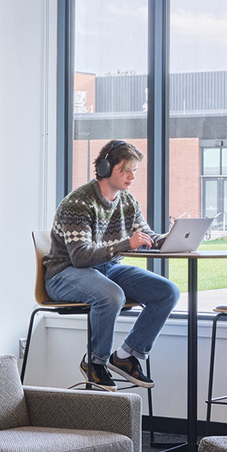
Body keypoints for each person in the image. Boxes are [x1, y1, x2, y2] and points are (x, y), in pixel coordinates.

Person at [47, 140, 179, 391]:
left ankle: (127, 355)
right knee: (111, 295)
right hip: (65, 273)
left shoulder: (127, 202)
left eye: (134, 170)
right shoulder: (78, 203)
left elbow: (146, 237)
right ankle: (95, 362)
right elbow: (80, 256)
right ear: (105, 168)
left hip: (107, 269)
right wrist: (125, 244)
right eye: (125, 170)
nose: (132, 176)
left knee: (167, 292)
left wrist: (174, 238)